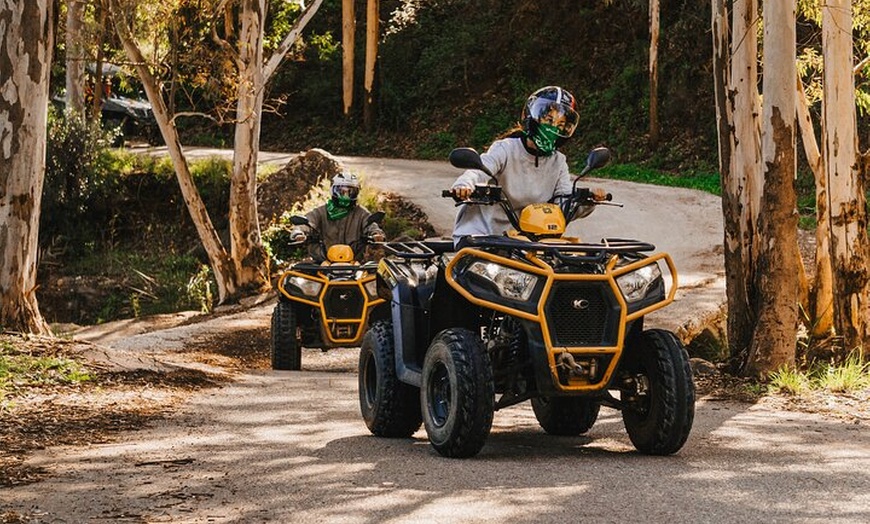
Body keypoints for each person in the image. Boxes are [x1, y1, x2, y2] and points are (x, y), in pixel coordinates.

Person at [450, 85, 608, 245]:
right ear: (532, 117)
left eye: (560, 125)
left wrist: (587, 200)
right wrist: (465, 185)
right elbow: (479, 171)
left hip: (529, 243)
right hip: (483, 237)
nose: (553, 128)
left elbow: (563, 204)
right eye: (549, 120)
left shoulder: (558, 161)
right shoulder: (506, 149)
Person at [290, 171, 386, 262]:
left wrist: (376, 234)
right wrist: (298, 233)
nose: (346, 196)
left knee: (379, 271)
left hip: (355, 262)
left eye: (350, 192)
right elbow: (307, 222)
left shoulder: (361, 213)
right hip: (323, 262)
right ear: (332, 191)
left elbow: (370, 224)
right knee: (297, 272)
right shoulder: (321, 212)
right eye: (341, 192)